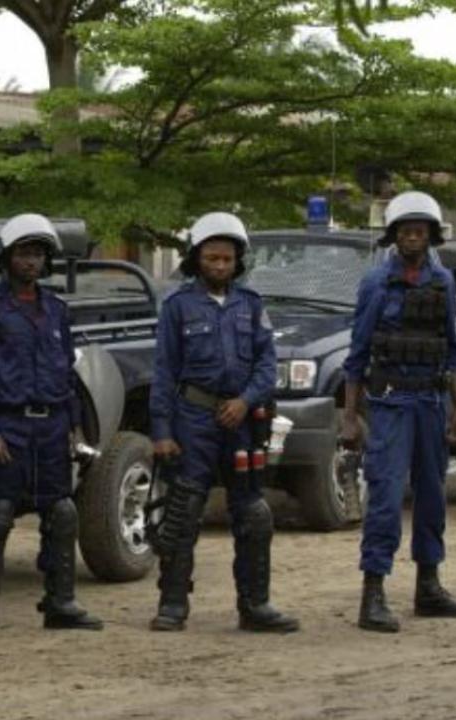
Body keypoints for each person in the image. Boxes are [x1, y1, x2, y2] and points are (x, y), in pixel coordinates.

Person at [148, 211, 299, 634]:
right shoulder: (177, 307)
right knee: (183, 513)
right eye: (211, 258)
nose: (219, 266)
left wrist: (246, 400)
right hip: (192, 419)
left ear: (238, 262)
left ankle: (256, 606)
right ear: (197, 259)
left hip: (243, 422)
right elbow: (163, 371)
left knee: (253, 514)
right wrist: (161, 432)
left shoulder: (251, 306)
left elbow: (267, 365)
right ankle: (173, 604)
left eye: (227, 259)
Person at [0, 213, 104, 636]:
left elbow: (67, 373)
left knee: (61, 512)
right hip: (8, 425)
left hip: (52, 426)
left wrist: (76, 430)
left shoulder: (56, 310)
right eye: (24, 253)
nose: (31, 261)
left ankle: (60, 602)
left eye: (39, 254)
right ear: (7, 257)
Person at [341, 191, 456, 633]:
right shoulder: (376, 283)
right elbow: (357, 354)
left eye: (420, 231)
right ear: (395, 236)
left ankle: (429, 586)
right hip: (392, 403)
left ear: (431, 235)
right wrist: (349, 416)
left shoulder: (443, 282)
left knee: (433, 497)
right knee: (385, 496)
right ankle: (373, 593)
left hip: (432, 404)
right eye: (405, 231)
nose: (413, 237)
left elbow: (454, 350)